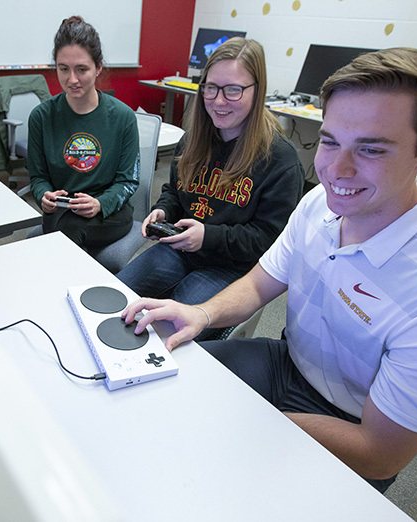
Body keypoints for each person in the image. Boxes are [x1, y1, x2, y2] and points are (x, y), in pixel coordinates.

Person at [120, 47, 417, 493]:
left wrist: (256, 425)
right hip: (285, 364)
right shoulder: (319, 204)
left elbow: (381, 454)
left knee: (230, 475)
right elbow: (262, 281)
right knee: (170, 383)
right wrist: (203, 314)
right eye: (329, 140)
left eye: (371, 149)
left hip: (351, 423)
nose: (335, 170)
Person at [116, 37, 304, 339]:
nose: (218, 101)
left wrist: (209, 237)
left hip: (231, 269)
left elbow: (270, 242)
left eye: (233, 90)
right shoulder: (193, 139)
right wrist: (163, 210)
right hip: (178, 250)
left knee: (174, 334)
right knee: (118, 297)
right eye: (211, 88)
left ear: (258, 91)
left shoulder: (279, 159)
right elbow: (175, 192)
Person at [27, 16, 139, 252]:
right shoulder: (41, 117)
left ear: (98, 67)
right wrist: (43, 196)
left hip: (109, 212)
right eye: (63, 69)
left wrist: (100, 203)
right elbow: (38, 178)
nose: (72, 79)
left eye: (82, 69)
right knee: (64, 225)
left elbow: (127, 181)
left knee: (66, 230)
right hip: (62, 210)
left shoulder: (123, 117)